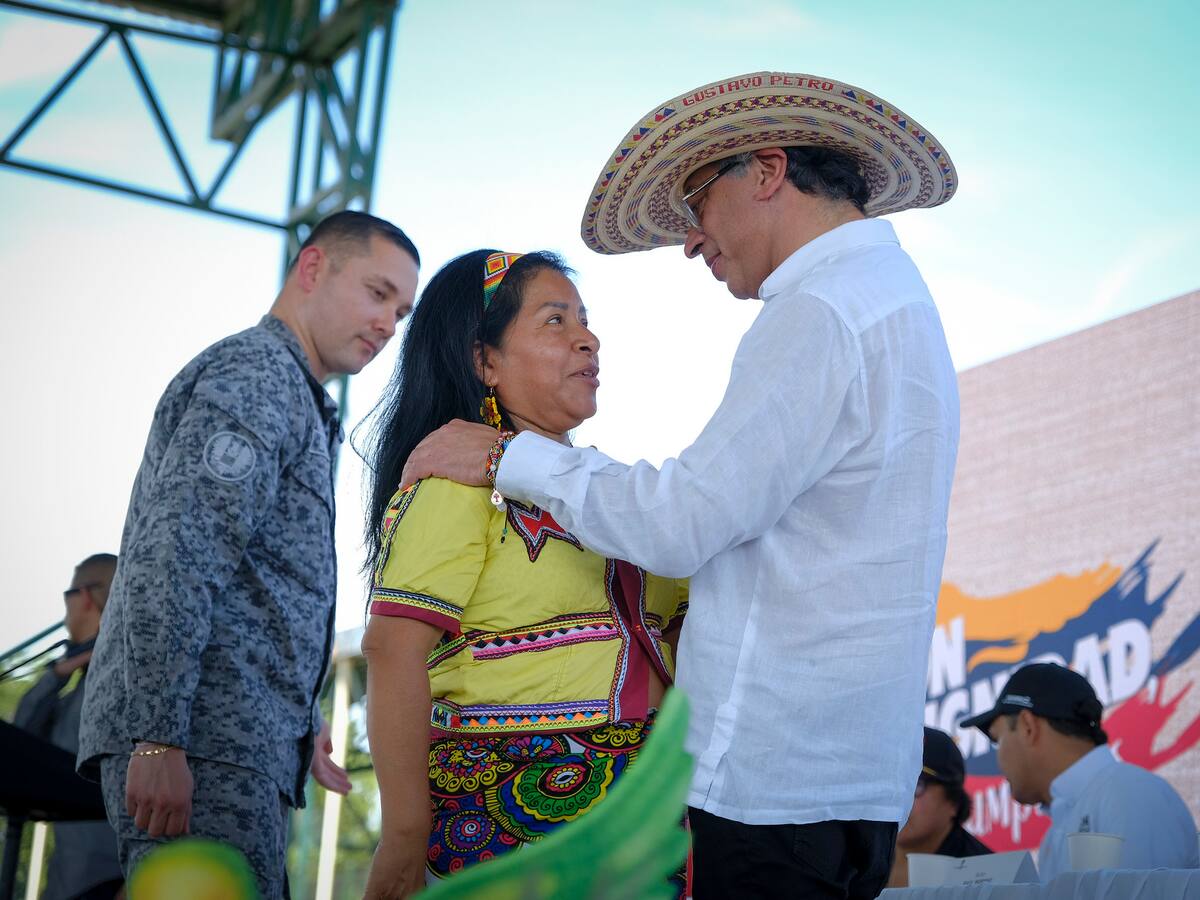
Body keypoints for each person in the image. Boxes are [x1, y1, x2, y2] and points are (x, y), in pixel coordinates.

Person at [402, 72, 960, 898]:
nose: (692, 240)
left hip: (767, 783)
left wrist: (508, 459)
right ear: (483, 360)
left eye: (696, 202)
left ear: (767, 170)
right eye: (555, 321)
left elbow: (684, 520)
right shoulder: (897, 303)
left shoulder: (818, 311)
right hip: (851, 779)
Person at [76, 210, 420, 899]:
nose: (388, 324)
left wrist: (297, 717)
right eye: (377, 293)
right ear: (313, 268)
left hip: (231, 745)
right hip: (201, 741)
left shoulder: (293, 392)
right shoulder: (257, 375)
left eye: (401, 312)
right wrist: (158, 736)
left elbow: (256, 582)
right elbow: (178, 555)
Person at [358, 249, 688, 898]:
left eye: (584, 319)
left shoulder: (611, 494)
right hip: (513, 817)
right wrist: (404, 835)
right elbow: (393, 649)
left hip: (648, 813)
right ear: (485, 361)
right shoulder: (456, 485)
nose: (588, 339)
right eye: (555, 321)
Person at [961, 662, 1199, 880]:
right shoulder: (1059, 832)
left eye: (998, 739)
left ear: (1027, 727)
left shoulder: (1129, 793)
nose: (998, 759)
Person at [13, 554, 123, 900]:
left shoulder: (122, 679)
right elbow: (20, 741)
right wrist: (57, 674)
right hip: (72, 882)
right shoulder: (77, 690)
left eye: (67, 596)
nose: (65, 615)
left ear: (85, 597)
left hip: (111, 882)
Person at [887, 727, 991, 888]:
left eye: (916, 785)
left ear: (954, 802)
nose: (899, 798)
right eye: (892, 781)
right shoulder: (859, 860)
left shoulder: (987, 876)